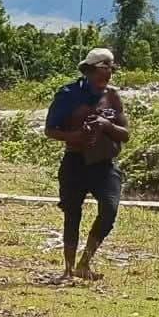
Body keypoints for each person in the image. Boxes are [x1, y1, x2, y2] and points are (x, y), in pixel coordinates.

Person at [45, 48, 130, 280]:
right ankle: (69, 268)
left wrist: (106, 125)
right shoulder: (68, 94)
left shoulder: (112, 96)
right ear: (90, 71)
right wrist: (75, 136)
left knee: (109, 210)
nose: (107, 76)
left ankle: (86, 262)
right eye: (103, 71)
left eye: (110, 71)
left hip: (104, 165)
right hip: (75, 162)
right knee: (72, 214)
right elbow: (50, 130)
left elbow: (125, 134)